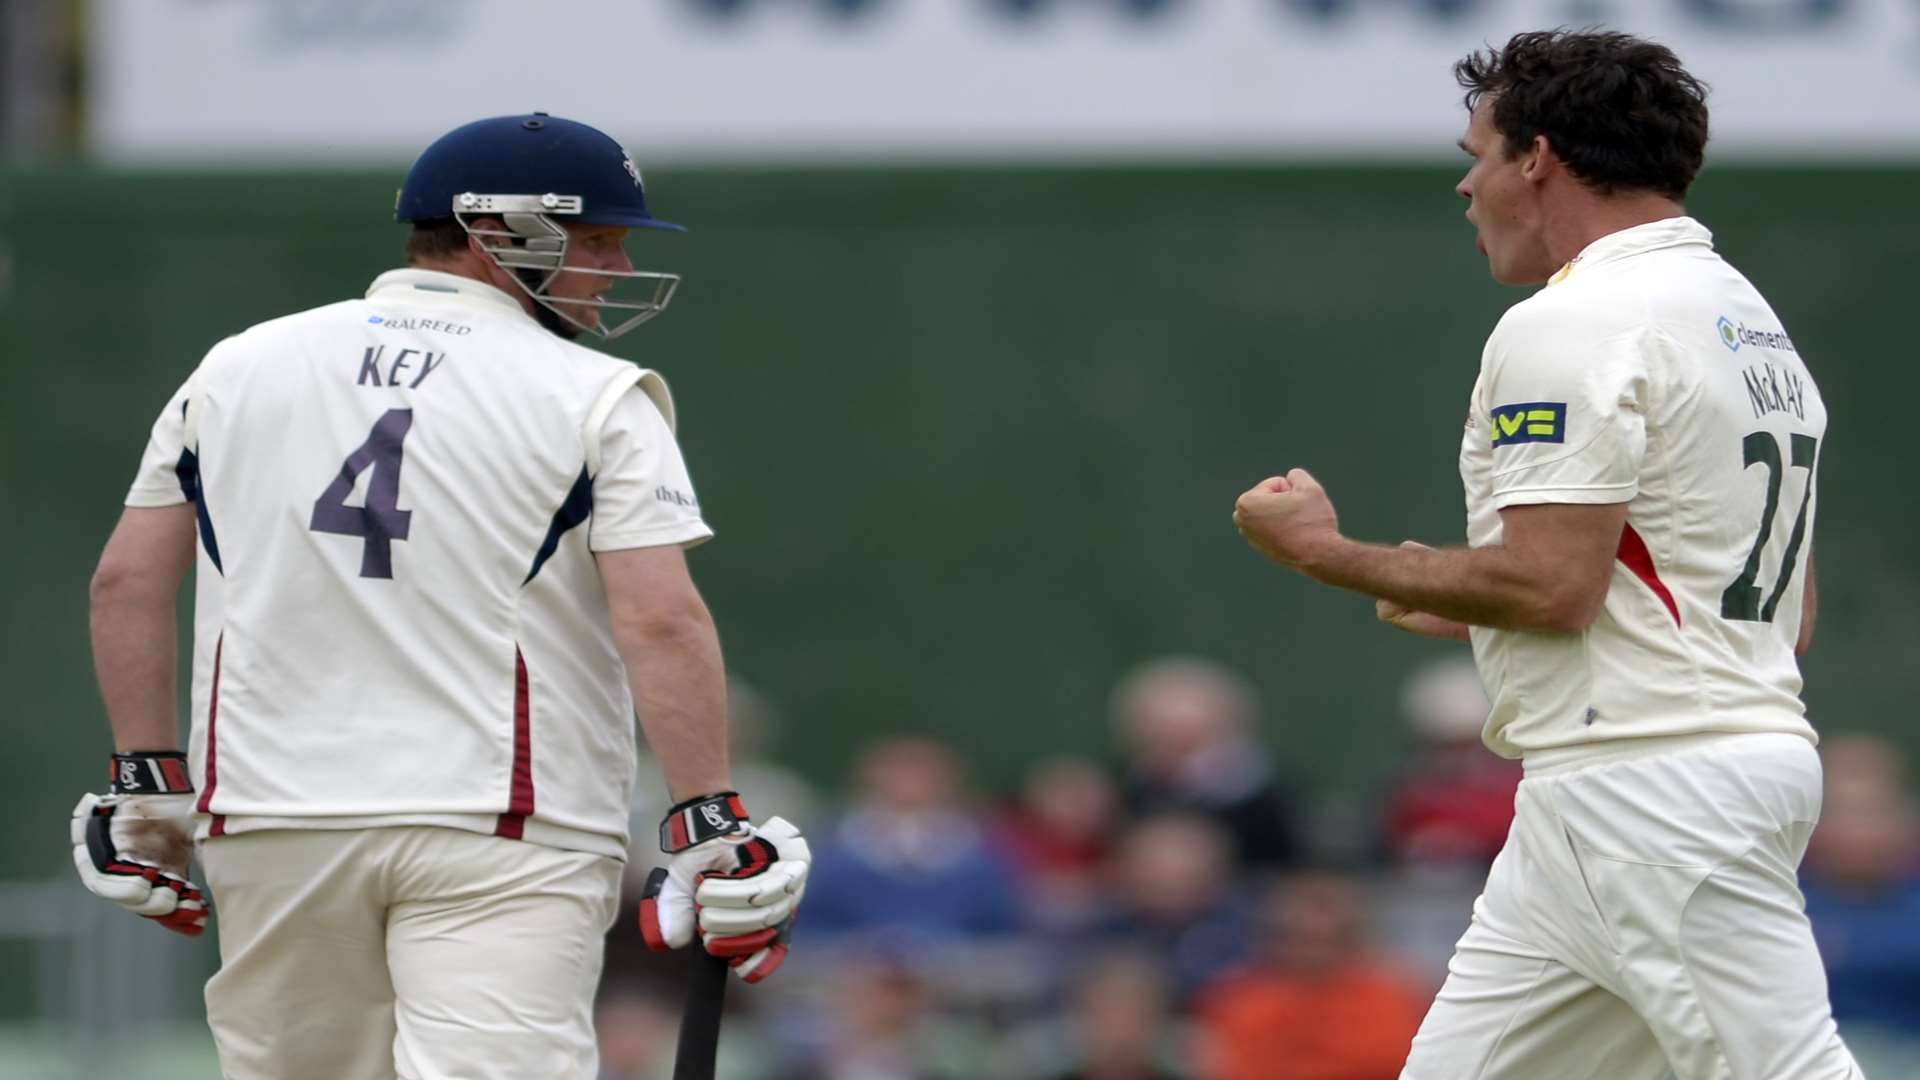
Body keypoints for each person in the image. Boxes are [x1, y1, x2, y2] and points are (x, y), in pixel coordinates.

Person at [70, 112, 812, 1080]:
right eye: (595, 238)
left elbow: (124, 582)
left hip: (270, 814)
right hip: (503, 822)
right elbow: (660, 617)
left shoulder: (234, 366)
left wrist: (146, 778)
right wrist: (708, 818)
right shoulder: (594, 392)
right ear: (493, 230)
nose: (618, 264)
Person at [1232, 30, 1859, 1079]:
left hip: (1652, 787)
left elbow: (1552, 586)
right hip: (1638, 779)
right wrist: (1466, 593)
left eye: (1478, 153)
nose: (1467, 186)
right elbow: (1771, 607)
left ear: (1539, 158)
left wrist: (1326, 553)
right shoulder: (1746, 319)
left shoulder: (1575, 320)